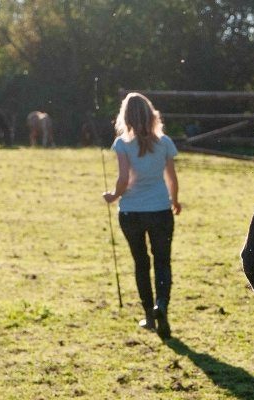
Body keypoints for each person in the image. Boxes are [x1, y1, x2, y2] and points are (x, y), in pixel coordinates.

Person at [102, 93, 180, 339]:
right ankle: (162, 305)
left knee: (141, 263)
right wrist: (174, 201)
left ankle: (149, 314)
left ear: (125, 117)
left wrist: (113, 196)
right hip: (160, 210)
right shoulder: (165, 142)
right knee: (162, 261)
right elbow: (172, 179)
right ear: (150, 114)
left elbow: (124, 179)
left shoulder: (122, 144)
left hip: (131, 212)